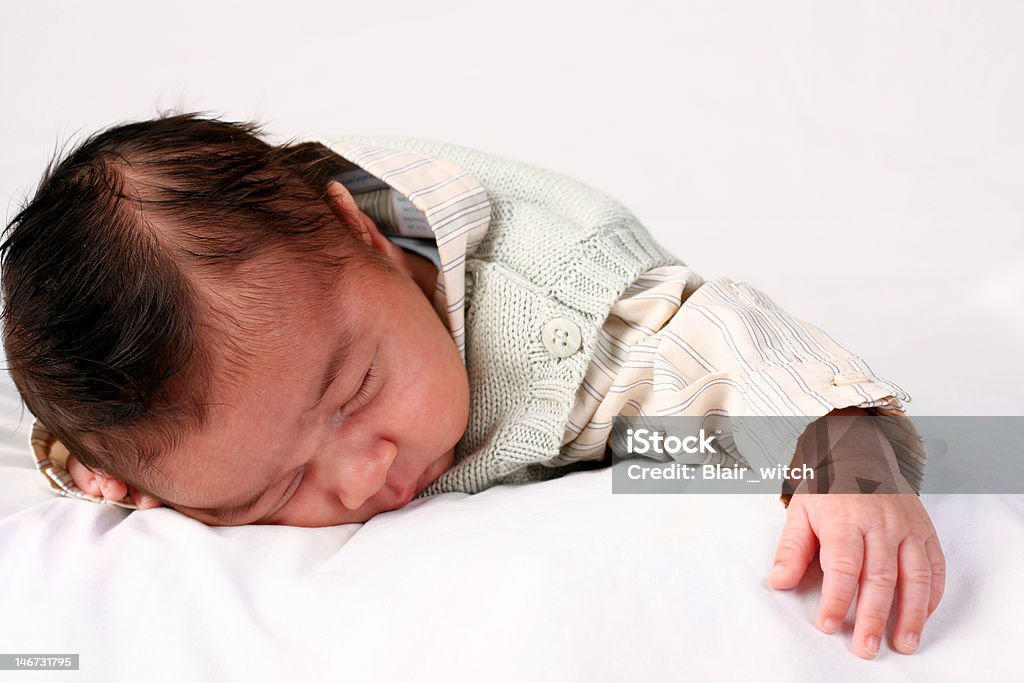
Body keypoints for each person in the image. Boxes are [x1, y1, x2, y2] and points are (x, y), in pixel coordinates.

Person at [0, 113, 944, 659]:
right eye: (278, 490)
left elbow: (716, 335)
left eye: (358, 388)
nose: (366, 469)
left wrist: (842, 440)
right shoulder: (214, 429)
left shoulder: (563, 312)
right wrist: (93, 466)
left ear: (364, 238)